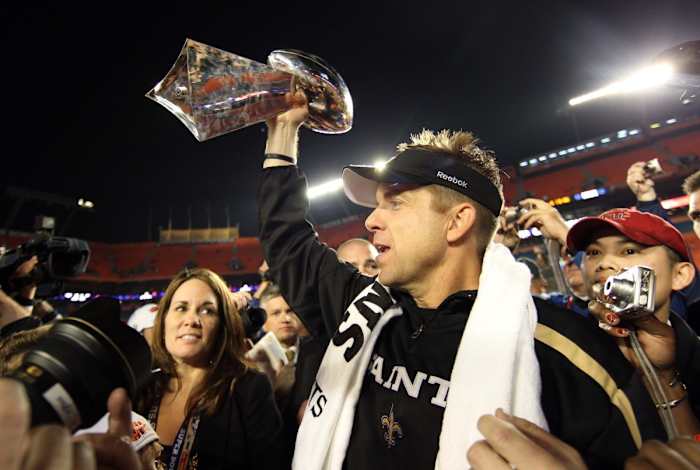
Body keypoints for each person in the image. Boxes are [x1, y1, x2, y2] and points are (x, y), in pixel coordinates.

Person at [566, 209, 700, 435]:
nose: (604, 263)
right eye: (593, 252)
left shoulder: (694, 357)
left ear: (680, 275)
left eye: (629, 250)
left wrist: (663, 376)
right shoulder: (568, 357)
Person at [137, 268, 283, 470]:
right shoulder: (143, 389)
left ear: (223, 327)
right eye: (181, 308)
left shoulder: (248, 389)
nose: (191, 320)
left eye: (207, 310)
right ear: (163, 321)